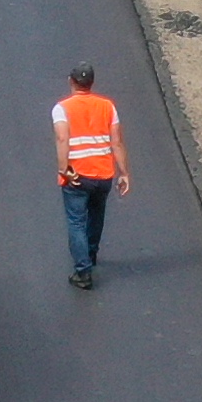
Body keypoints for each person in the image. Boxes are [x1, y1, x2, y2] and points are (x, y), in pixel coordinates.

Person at [52, 64, 122, 283]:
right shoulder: (108, 106)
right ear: (91, 83)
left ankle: (83, 272)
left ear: (71, 81)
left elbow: (63, 139)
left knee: (76, 222)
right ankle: (90, 254)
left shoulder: (62, 108)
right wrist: (125, 173)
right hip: (103, 175)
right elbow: (117, 142)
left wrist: (64, 169)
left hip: (77, 175)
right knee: (96, 216)